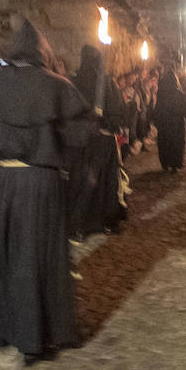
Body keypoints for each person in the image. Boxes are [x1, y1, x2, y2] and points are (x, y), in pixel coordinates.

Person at [0, 22, 91, 363]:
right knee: (42, 259)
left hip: (1, 184)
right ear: (43, 52)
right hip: (41, 183)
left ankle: (10, 330)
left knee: (9, 259)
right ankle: (41, 333)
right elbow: (78, 141)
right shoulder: (57, 87)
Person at [68, 45, 126, 238]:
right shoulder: (100, 83)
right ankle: (94, 222)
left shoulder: (75, 83)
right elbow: (117, 112)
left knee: (87, 182)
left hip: (85, 142)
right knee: (97, 182)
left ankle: (83, 224)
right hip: (93, 141)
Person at [152, 68, 186, 173]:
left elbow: (158, 108)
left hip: (165, 124)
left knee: (165, 143)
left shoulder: (161, 94)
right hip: (177, 124)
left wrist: (157, 121)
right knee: (176, 144)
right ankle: (175, 164)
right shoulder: (180, 95)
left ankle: (165, 163)